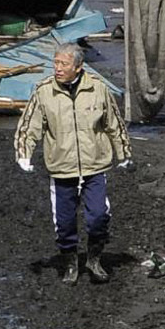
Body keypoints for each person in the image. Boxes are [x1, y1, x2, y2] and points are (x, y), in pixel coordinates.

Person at [14, 42, 130, 281]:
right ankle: (69, 262)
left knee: (98, 217)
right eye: (55, 63)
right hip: (61, 168)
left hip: (94, 166)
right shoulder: (44, 91)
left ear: (78, 67)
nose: (57, 68)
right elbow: (29, 127)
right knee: (65, 224)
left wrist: (124, 154)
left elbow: (114, 124)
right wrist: (23, 153)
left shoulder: (98, 89)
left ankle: (94, 260)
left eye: (63, 64)